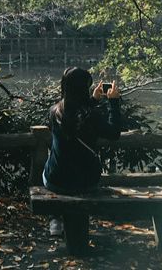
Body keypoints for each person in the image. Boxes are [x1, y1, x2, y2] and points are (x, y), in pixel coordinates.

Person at [42, 66, 122, 237]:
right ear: (85, 88)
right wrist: (113, 102)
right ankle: (60, 220)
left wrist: (93, 100)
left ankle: (55, 217)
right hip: (87, 183)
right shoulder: (91, 116)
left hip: (56, 181)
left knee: (49, 164)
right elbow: (114, 133)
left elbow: (72, 116)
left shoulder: (54, 112)